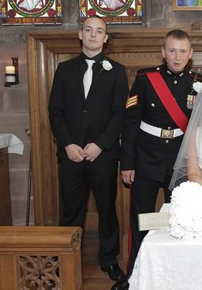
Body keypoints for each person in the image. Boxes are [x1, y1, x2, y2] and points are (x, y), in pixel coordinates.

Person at [112, 29, 202, 290]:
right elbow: (130, 123)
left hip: (180, 157)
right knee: (140, 218)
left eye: (182, 51)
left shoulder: (199, 82)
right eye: (172, 50)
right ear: (163, 52)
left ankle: (176, 274)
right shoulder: (145, 79)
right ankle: (134, 274)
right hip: (145, 156)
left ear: (191, 54)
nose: (177, 57)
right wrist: (127, 163)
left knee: (179, 218)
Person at [48, 16, 128, 282]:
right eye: (89, 30)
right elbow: (55, 112)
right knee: (71, 210)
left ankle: (108, 259)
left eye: (100, 31)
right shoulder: (64, 69)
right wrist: (68, 144)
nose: (93, 35)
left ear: (105, 38)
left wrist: (100, 145)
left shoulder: (116, 71)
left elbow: (119, 114)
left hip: (102, 155)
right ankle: (64, 260)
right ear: (80, 34)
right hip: (71, 155)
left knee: (107, 209)